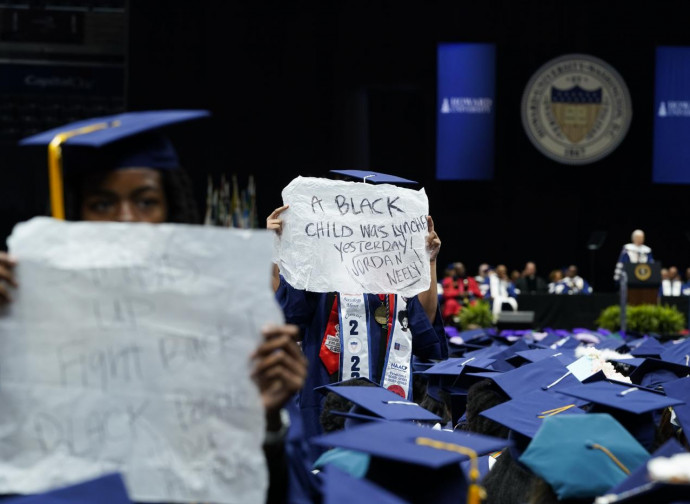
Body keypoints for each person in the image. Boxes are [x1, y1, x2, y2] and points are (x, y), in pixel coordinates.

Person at [0, 111, 307, 503]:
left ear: (171, 209)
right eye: (102, 203)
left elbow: (274, 483)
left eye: (146, 201)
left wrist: (265, 420)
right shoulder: (24, 313)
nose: (126, 219)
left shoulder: (222, 322)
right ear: (76, 212)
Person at [267, 180, 448, 453]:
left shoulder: (395, 281)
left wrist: (430, 261)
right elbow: (283, 315)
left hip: (389, 401)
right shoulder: (321, 277)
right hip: (324, 400)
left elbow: (425, 324)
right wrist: (278, 250)